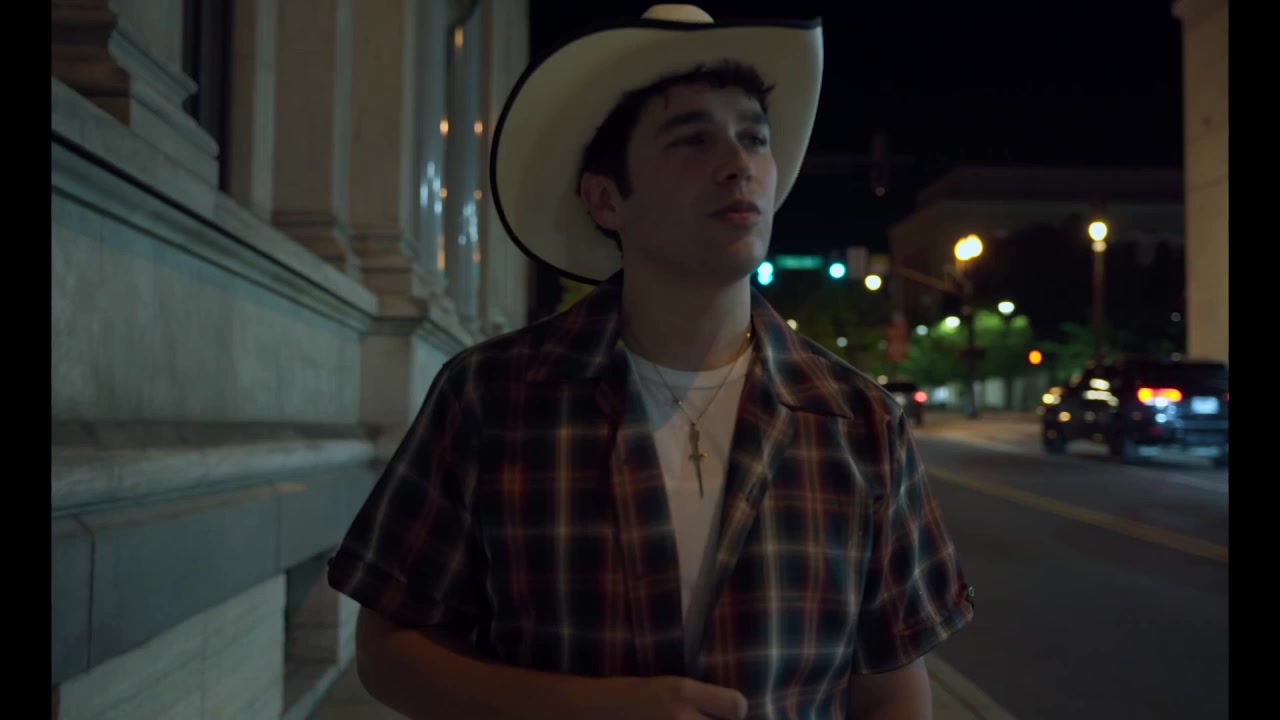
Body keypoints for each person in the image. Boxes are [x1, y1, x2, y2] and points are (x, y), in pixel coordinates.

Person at [327, 5, 974, 719]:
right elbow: (389, 649)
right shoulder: (492, 397)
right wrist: (584, 710)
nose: (739, 165)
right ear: (606, 199)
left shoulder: (858, 421)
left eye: (754, 138)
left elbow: (891, 689)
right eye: (691, 139)